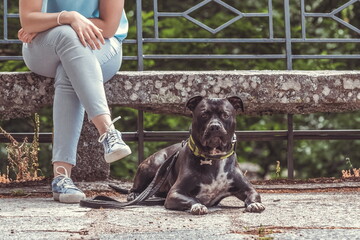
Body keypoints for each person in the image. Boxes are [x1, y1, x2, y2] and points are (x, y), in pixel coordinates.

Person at [18, 0, 131, 203]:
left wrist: (49, 22)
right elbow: (28, 21)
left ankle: (62, 178)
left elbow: (109, 26)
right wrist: (69, 18)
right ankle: (107, 130)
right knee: (68, 36)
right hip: (45, 45)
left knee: (69, 69)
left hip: (102, 43)